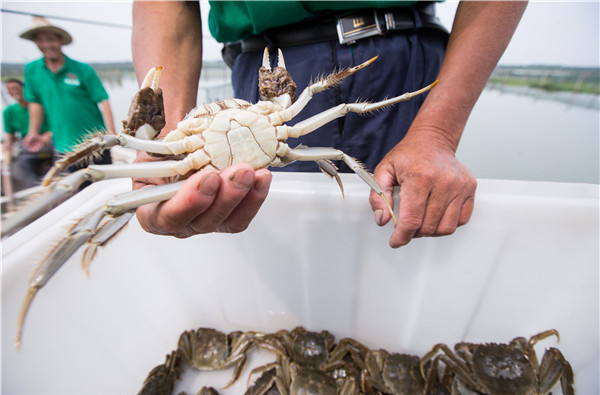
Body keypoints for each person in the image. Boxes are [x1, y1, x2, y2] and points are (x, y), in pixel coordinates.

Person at [131, 1, 527, 247]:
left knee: (404, 217)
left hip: (403, 54)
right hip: (263, 58)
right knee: (272, 239)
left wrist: (435, 132)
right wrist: (167, 138)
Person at [19, 16, 116, 170]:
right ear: (36, 43)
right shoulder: (32, 70)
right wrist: (33, 132)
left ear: (60, 41)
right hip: (65, 143)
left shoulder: (82, 69)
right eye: (41, 40)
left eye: (50, 39)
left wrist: (111, 133)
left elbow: (103, 99)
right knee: (79, 188)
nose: (47, 45)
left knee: (106, 183)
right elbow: (35, 102)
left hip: (95, 141)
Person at [2, 78, 54, 194]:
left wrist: (47, 135)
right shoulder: (9, 111)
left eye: (16, 88)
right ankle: (37, 192)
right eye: (9, 89)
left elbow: (57, 124)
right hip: (28, 145)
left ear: (24, 88)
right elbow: (10, 135)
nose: (14, 92)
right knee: (22, 165)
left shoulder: (42, 106)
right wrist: (7, 143)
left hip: (49, 140)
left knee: (60, 156)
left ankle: (58, 185)